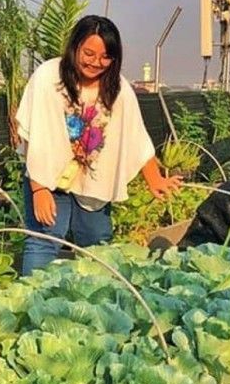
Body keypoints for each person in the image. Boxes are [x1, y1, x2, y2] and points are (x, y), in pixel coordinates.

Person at [15, 15, 181, 274]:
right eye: (89, 53)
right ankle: (27, 303)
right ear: (75, 47)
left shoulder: (118, 89)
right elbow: (32, 135)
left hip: (93, 180)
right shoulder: (49, 77)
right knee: (44, 240)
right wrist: (38, 189)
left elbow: (134, 134)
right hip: (47, 176)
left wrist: (155, 179)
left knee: (97, 244)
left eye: (105, 57)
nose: (95, 62)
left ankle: (95, 305)